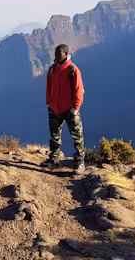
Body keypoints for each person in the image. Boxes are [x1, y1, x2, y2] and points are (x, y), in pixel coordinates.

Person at [42, 44, 86, 174]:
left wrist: (75, 108)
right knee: (54, 136)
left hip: (70, 110)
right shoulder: (52, 69)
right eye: (55, 53)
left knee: (77, 136)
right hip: (54, 109)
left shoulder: (73, 70)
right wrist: (48, 104)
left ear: (66, 54)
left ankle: (80, 162)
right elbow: (48, 87)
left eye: (59, 53)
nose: (56, 56)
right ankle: (54, 159)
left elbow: (79, 90)